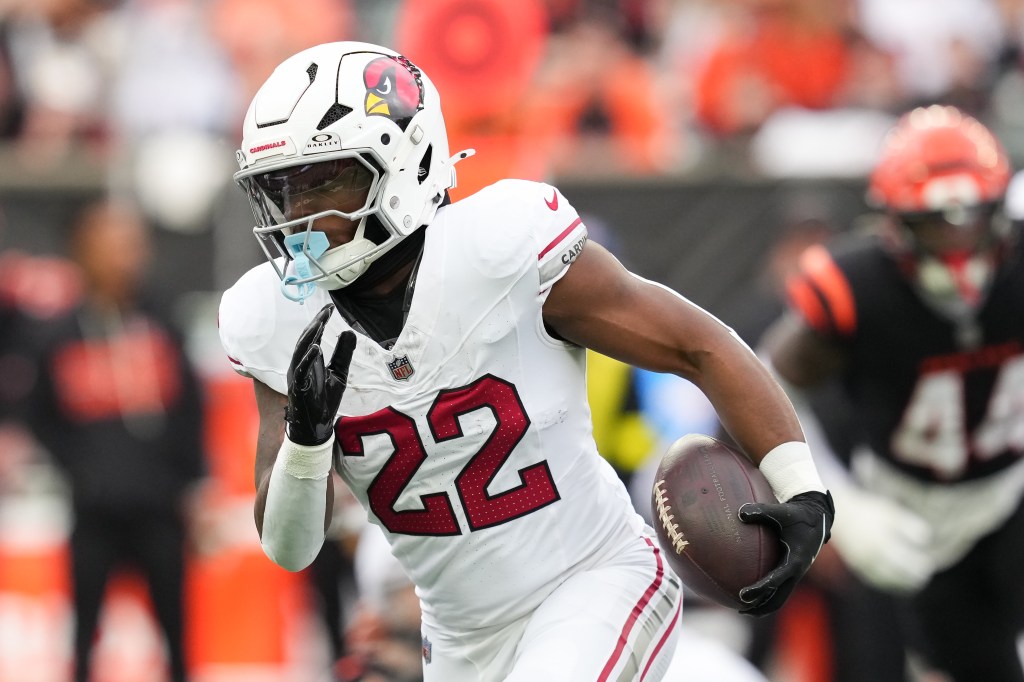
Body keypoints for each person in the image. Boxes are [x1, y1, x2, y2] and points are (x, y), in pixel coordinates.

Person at [218, 41, 834, 682]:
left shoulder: (503, 250)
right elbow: (290, 549)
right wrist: (308, 441)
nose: (299, 216)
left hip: (594, 582)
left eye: (325, 182)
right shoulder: (277, 320)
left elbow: (697, 344)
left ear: (404, 161)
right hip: (457, 638)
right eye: (282, 192)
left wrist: (802, 488)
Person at [762, 104, 1024, 681]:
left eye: (971, 217)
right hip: (901, 506)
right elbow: (763, 387)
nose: (957, 242)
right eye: (935, 222)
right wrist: (839, 507)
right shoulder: (856, 287)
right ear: (893, 224)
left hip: (1009, 490)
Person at [19, 199, 207, 682]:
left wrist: (191, 482)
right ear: (82, 250)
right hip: (95, 511)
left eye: (132, 243)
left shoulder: (164, 322)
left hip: (160, 509)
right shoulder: (59, 336)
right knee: (84, 636)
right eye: (111, 243)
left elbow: (190, 409)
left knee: (177, 634)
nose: (125, 255)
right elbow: (38, 414)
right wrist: (79, 468)